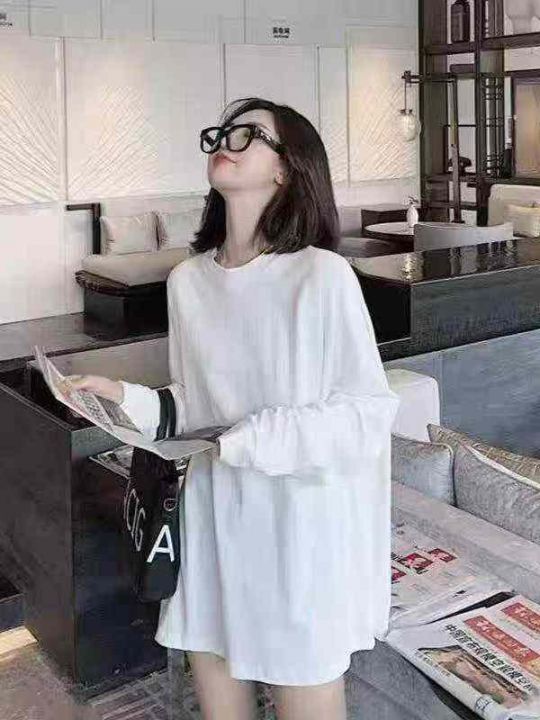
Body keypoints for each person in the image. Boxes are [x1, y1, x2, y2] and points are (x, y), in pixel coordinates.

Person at [66, 97, 399, 720]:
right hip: (214, 524)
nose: (226, 141)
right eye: (223, 132)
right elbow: (195, 403)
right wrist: (125, 399)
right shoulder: (188, 281)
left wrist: (247, 437)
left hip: (297, 532)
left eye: (249, 134)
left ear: (286, 167)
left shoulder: (322, 276)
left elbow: (365, 412)